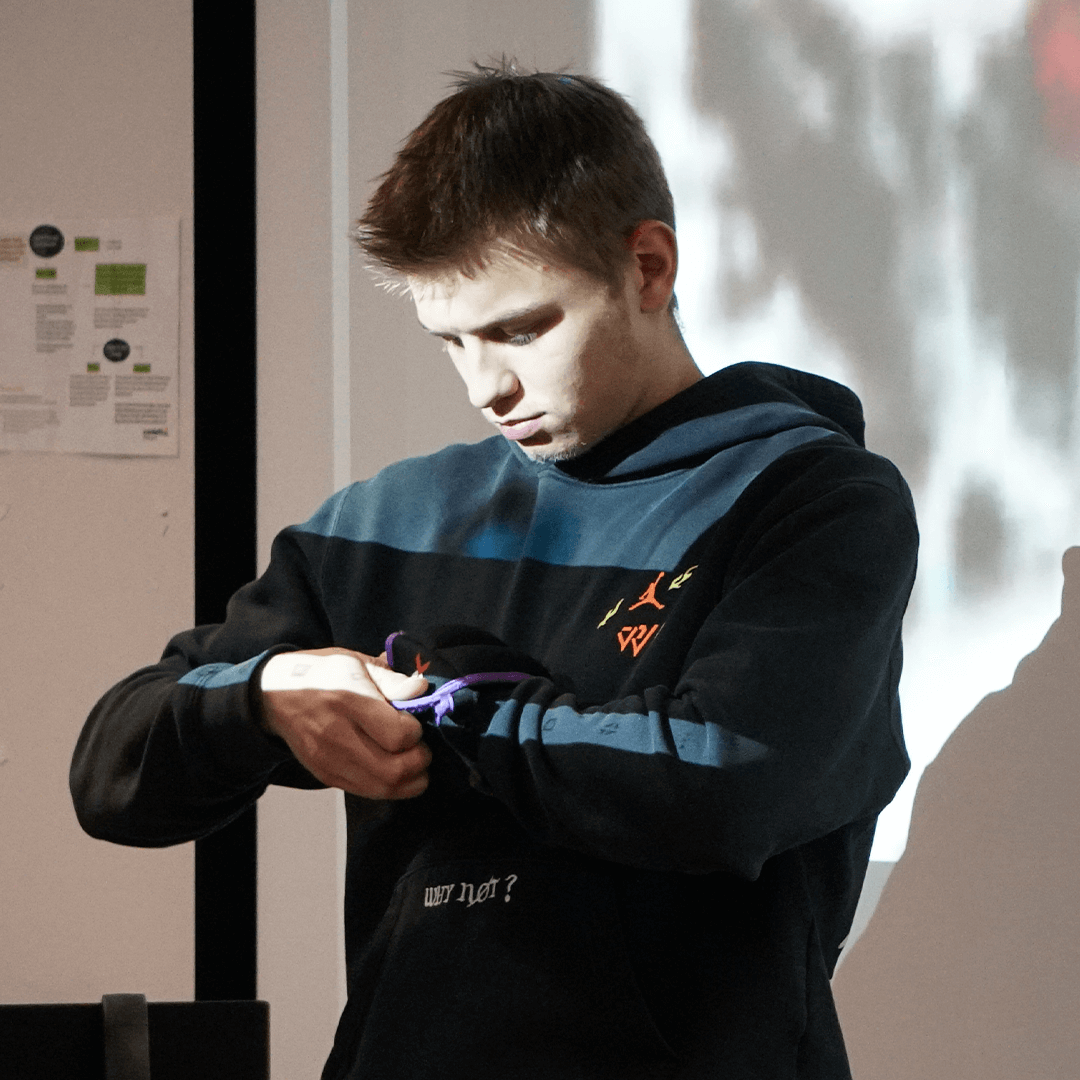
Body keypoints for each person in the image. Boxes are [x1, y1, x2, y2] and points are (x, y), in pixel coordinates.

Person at [71, 64, 918, 1079]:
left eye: (522, 330)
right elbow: (113, 773)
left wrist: (456, 702)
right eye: (452, 341)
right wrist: (263, 699)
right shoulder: (384, 523)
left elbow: (726, 782)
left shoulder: (811, 499)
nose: (487, 386)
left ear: (647, 267)